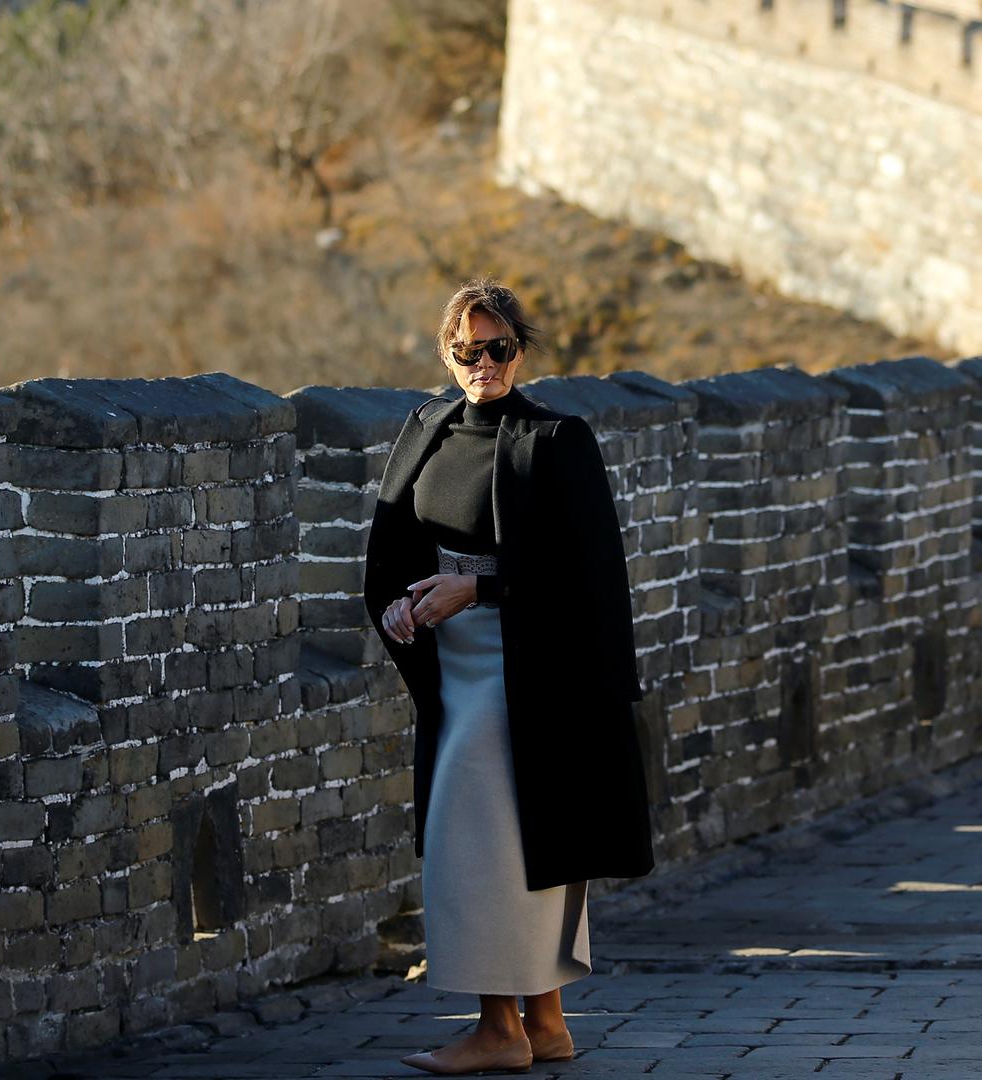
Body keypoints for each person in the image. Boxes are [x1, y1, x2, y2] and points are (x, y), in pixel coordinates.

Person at [362, 277, 655, 1075]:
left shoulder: (557, 439)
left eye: (495, 348)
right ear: (446, 353)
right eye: (464, 350)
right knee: (512, 835)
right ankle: (545, 1025)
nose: (480, 363)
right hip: (450, 654)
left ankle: (497, 1030)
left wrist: (481, 587)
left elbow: (589, 574)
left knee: (483, 834)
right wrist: (402, 605)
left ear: (518, 350)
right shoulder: (428, 425)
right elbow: (399, 540)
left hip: (531, 659)